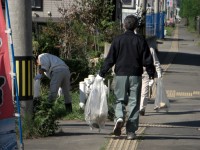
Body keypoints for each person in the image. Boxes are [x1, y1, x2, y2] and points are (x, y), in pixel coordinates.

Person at [96, 15, 155, 140]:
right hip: (135, 75)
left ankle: (119, 117)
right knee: (134, 103)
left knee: (120, 100)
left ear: (124, 25)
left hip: (121, 74)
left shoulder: (118, 40)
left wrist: (102, 73)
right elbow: (147, 60)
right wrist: (151, 74)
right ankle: (131, 132)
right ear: (135, 26)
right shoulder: (140, 40)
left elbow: (110, 59)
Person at [139, 38, 162, 116]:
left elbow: (156, 62)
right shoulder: (135, 49)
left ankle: (142, 108)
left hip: (146, 73)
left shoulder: (151, 50)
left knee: (144, 92)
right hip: (135, 73)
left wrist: (159, 74)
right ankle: (138, 107)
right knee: (136, 92)